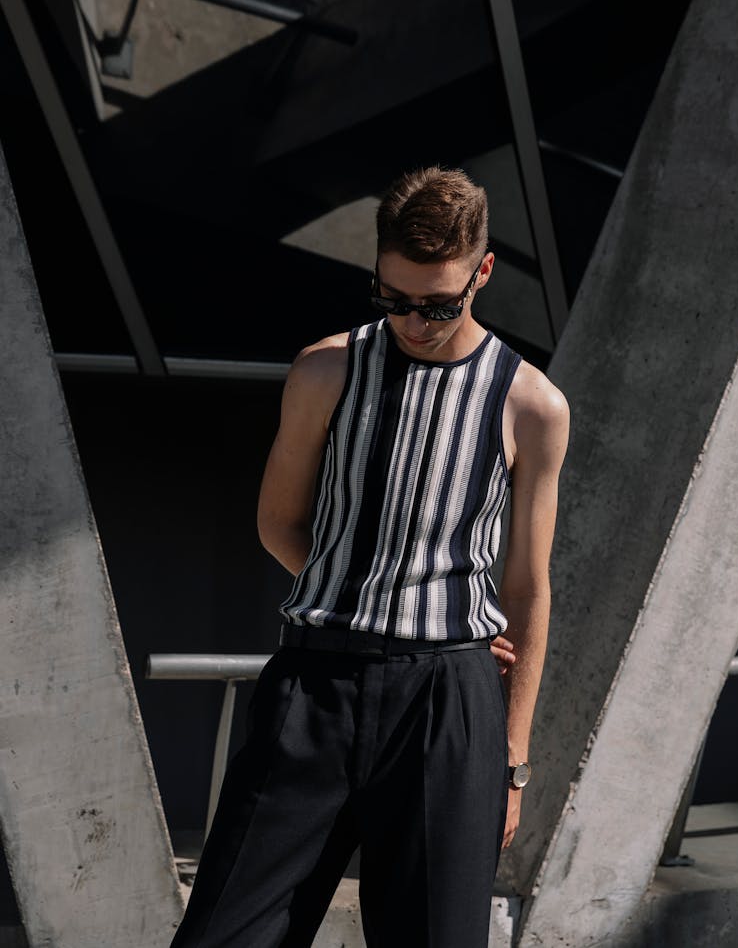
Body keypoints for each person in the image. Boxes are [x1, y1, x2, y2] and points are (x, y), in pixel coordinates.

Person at [170, 165, 569, 948]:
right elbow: (279, 521)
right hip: (315, 686)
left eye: (438, 304)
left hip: (447, 705)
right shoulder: (327, 370)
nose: (414, 321)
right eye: (394, 298)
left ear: (482, 272)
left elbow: (527, 590)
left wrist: (512, 761)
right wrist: (373, 598)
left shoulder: (531, 405)